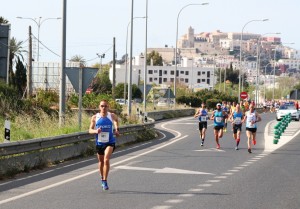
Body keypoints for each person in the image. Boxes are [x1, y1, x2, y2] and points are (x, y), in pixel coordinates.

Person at [89, 100, 120, 190]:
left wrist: (117, 129)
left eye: (105, 106)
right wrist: (96, 131)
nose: (104, 108)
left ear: (108, 107)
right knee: (101, 161)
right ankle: (102, 178)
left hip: (110, 142)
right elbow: (90, 130)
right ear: (99, 107)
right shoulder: (95, 117)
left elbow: (116, 120)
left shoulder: (111, 115)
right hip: (99, 142)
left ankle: (105, 180)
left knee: (106, 159)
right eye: (102, 106)